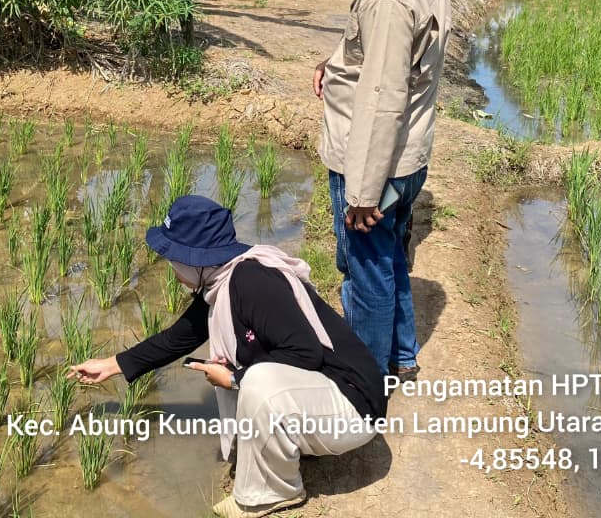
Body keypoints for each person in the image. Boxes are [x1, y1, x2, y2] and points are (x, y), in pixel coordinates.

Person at [68, 195, 388, 518]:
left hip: (355, 410)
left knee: (257, 381)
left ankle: (272, 494)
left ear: (196, 260)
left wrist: (234, 378)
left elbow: (305, 352)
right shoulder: (221, 280)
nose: (171, 267)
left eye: (174, 258)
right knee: (255, 375)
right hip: (326, 395)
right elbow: (177, 338)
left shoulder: (251, 282)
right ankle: (290, 443)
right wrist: (111, 365)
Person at [293, 0, 452, 380]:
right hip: (407, 155)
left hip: (373, 164)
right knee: (387, 259)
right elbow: (387, 58)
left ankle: (363, 379)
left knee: (366, 272)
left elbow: (382, 101)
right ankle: (400, 356)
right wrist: (337, 63)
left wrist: (363, 192)